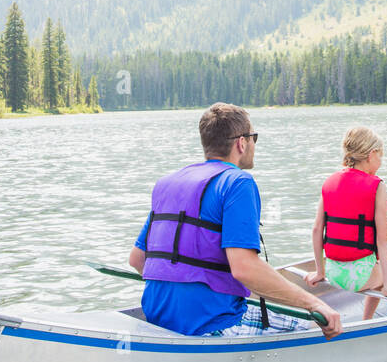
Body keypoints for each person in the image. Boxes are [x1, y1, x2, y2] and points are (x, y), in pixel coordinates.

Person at [129, 103, 341, 338]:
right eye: (254, 139)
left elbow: (138, 260)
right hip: (213, 324)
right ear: (242, 142)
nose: (253, 145)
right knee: (312, 327)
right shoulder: (238, 183)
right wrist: (314, 304)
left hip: (158, 320)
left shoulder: (166, 183)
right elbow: (244, 268)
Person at [305, 126, 387, 321]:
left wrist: (320, 271)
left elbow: (317, 229)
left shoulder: (329, 182)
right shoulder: (377, 185)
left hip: (333, 273)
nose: (380, 162)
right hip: (359, 277)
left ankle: (366, 320)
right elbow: (384, 240)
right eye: (380, 156)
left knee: (377, 267)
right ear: (371, 154)